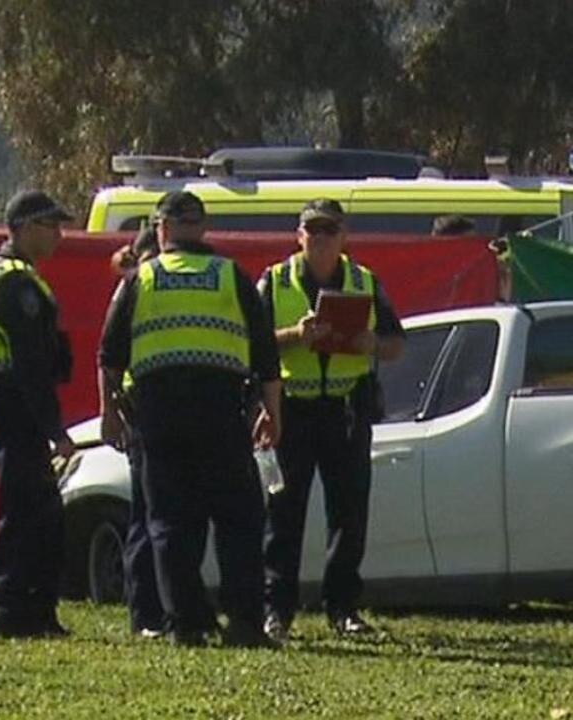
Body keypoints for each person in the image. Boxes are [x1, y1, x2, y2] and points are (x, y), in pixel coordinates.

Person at [98, 191, 282, 648]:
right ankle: (243, 622)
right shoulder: (231, 277)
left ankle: (187, 622)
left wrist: (108, 412)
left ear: (160, 230)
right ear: (202, 228)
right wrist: (272, 412)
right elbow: (266, 356)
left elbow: (109, 355)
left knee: (170, 523)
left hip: (158, 415)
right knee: (237, 519)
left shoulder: (140, 279)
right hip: (221, 413)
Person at [260, 198, 405, 637]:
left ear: (344, 236)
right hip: (293, 409)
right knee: (284, 513)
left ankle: (343, 609)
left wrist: (370, 344)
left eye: (330, 231)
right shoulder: (275, 281)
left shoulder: (364, 280)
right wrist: (295, 336)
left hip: (346, 408)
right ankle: (277, 611)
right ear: (298, 236)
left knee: (349, 512)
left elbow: (396, 344)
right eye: (313, 231)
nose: (320, 239)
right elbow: (253, 344)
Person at [0, 189, 75, 639]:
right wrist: (55, 430)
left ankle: (36, 612)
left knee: (36, 508)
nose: (59, 235)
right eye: (51, 226)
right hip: (16, 400)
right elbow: (31, 363)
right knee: (25, 510)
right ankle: (14, 612)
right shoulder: (16, 283)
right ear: (25, 228)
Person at [110, 226, 165, 638]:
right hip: (143, 410)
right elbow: (108, 356)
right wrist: (110, 412)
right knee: (146, 516)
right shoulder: (132, 290)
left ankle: (166, 607)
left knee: (165, 516)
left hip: (167, 410)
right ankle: (145, 613)